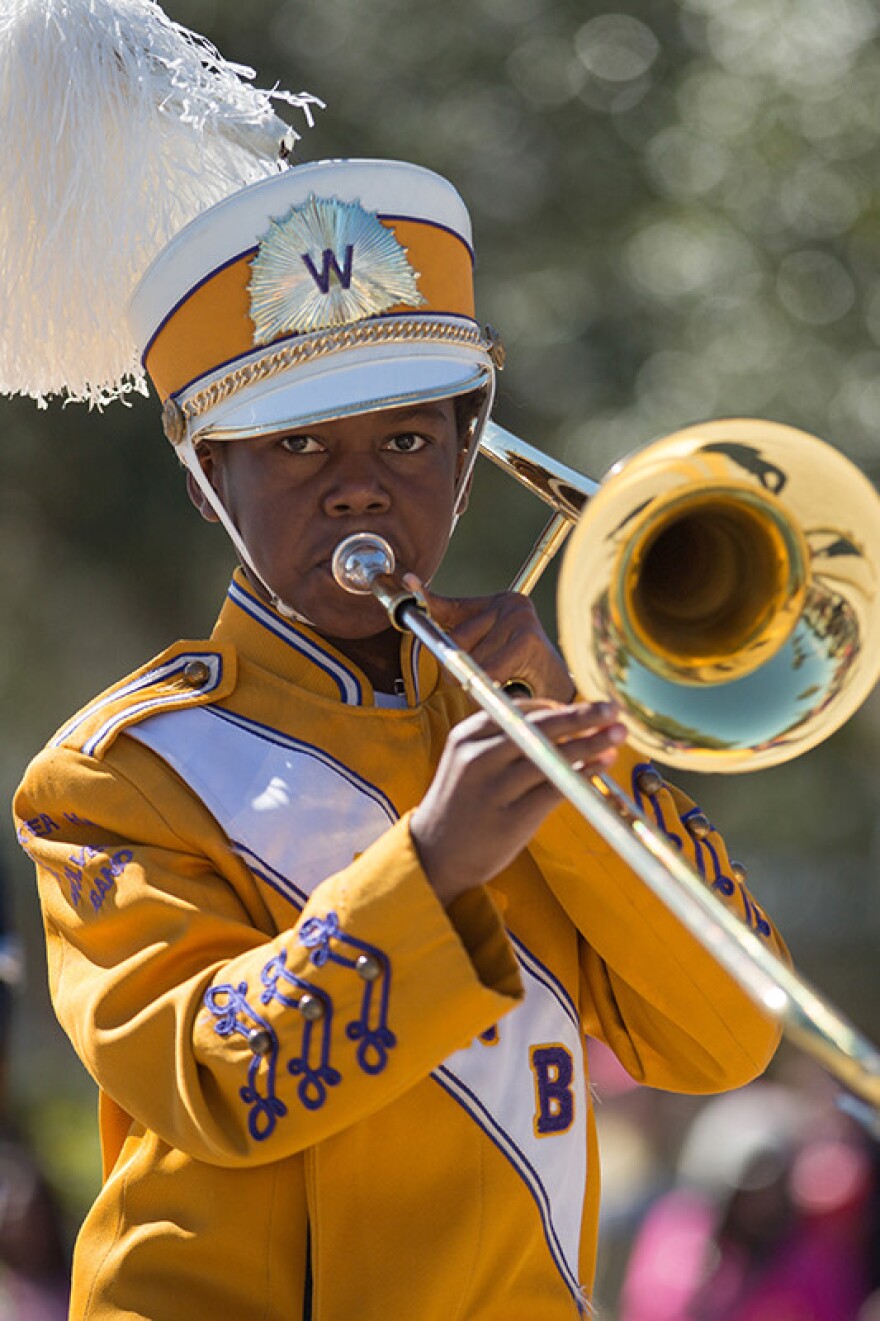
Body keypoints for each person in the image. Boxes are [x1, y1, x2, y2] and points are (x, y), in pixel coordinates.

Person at [6, 11, 786, 1319]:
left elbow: (726, 1036)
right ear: (210, 481)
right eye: (298, 448)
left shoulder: (532, 718)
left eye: (412, 445)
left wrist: (574, 767)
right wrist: (437, 858)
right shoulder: (111, 773)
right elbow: (222, 1085)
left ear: (465, 461)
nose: (361, 488)